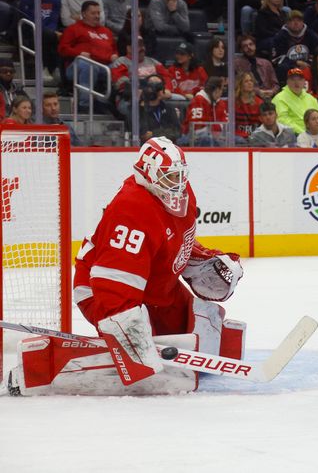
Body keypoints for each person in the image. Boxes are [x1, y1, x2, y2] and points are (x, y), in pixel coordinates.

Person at [7, 137, 245, 396]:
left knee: (203, 323)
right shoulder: (132, 210)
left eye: (180, 175)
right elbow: (113, 286)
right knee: (141, 364)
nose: (177, 184)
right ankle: (49, 370)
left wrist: (198, 257)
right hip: (102, 291)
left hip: (154, 287)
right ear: (147, 175)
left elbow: (167, 240)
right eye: (168, 177)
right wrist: (132, 341)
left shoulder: (180, 195)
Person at [58, 0, 118, 112]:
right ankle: (84, 105)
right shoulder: (73, 29)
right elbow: (62, 49)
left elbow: (114, 49)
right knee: (88, 65)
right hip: (78, 66)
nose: (97, 16)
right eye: (93, 13)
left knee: (121, 66)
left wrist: (115, 55)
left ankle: (113, 104)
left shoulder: (106, 31)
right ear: (84, 14)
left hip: (104, 65)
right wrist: (78, 53)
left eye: (98, 13)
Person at [272, 67, 318, 134]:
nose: (296, 83)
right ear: (287, 82)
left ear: (304, 82)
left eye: (299, 79)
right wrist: (303, 133)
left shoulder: (311, 98)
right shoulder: (279, 99)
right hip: (292, 135)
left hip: (314, 134)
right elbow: (282, 120)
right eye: (293, 80)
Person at [182, 76, 228, 146]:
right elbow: (197, 126)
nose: (222, 93)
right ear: (216, 90)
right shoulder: (198, 100)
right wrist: (215, 128)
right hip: (194, 137)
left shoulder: (220, 103)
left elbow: (225, 123)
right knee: (207, 139)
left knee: (237, 140)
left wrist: (214, 129)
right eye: (221, 89)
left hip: (215, 135)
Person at [139, 74, 182, 143]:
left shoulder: (169, 108)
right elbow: (143, 134)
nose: (155, 88)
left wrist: (154, 134)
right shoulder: (140, 110)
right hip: (146, 148)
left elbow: (176, 132)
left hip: (168, 147)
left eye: (158, 85)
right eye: (152, 84)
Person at [234, 34, 279, 100]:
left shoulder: (266, 63)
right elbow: (238, 85)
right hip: (249, 97)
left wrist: (272, 91)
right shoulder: (237, 64)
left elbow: (276, 84)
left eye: (251, 44)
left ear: (255, 46)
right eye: (245, 46)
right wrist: (258, 92)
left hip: (269, 96)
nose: (249, 47)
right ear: (241, 50)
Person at [233, 71, 264, 141]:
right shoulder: (232, 102)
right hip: (237, 138)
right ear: (240, 84)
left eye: (251, 81)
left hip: (255, 137)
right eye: (246, 81)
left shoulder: (259, 102)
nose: (250, 83)